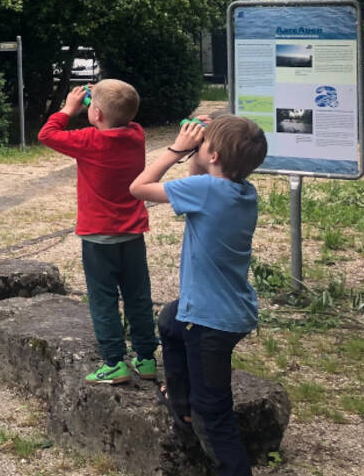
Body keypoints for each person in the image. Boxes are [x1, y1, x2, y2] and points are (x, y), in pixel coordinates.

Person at [130, 113, 265, 476]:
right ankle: (181, 402)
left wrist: (177, 149)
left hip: (208, 321)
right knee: (169, 322)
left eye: (204, 143)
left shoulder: (206, 191)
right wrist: (204, 152)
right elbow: (200, 184)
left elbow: (139, 188)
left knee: (214, 414)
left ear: (215, 156)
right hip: (226, 308)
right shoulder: (242, 191)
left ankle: (229, 463)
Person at [38, 79, 158, 384]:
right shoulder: (137, 135)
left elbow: (47, 134)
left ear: (97, 115)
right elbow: (119, 115)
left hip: (97, 237)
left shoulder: (89, 141)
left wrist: (68, 108)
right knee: (138, 297)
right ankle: (146, 359)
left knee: (103, 299)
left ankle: (114, 362)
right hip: (132, 235)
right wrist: (102, 98)